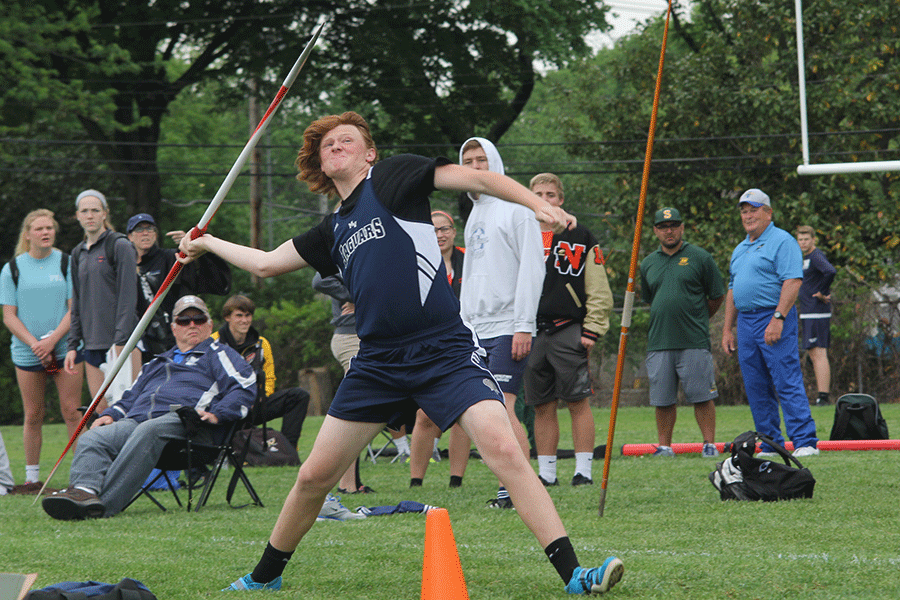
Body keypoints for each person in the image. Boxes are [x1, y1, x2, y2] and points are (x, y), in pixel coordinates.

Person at [178, 111, 624, 595]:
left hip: (444, 351)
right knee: (313, 477)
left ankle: (576, 576)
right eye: (327, 146)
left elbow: (475, 176)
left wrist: (534, 202)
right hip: (378, 364)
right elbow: (265, 265)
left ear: (369, 153)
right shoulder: (333, 230)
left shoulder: (391, 178)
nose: (336, 147)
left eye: (347, 140)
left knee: (504, 449)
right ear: (323, 167)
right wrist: (208, 243)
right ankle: (264, 577)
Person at [41, 295, 256, 520]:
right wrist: (112, 414)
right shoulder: (156, 362)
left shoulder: (218, 354)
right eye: (184, 320)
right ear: (174, 328)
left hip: (188, 427)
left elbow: (245, 385)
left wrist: (217, 414)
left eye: (199, 319)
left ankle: (101, 505)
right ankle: (84, 491)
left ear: (209, 325)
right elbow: (130, 396)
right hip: (138, 422)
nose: (192, 325)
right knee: (94, 437)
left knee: (149, 429)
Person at [458, 137, 544, 509]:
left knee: (504, 407)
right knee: (487, 412)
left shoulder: (517, 209)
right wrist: (463, 326)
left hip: (510, 325)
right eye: (468, 161)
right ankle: (512, 486)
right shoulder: (474, 212)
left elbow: (532, 270)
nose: (476, 167)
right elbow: (471, 274)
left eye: (482, 160)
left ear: (495, 162)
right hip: (477, 330)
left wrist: (523, 324)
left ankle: (516, 490)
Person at [525, 174, 613, 485]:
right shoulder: (522, 234)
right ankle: (547, 473)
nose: (545, 199)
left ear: (560, 200)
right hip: (531, 331)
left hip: (568, 328)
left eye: (551, 194)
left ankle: (583, 471)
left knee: (578, 400)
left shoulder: (581, 236)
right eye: (538, 194)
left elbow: (599, 286)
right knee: (541, 404)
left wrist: (592, 328)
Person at [722, 189, 819, 458]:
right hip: (746, 322)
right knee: (756, 385)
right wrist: (727, 328)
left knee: (786, 379)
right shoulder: (741, 248)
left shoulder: (782, 241)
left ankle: (805, 441)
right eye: (744, 210)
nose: (748, 215)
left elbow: (792, 281)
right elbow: (732, 289)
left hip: (773, 316)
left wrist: (778, 318)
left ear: (768, 213)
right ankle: (770, 443)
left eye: (753, 209)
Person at [0, 210, 84, 490]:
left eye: (49, 228)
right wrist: (35, 344)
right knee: (33, 414)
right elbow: (9, 316)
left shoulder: (66, 262)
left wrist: (52, 341)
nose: (45, 232)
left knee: (72, 411)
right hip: (28, 354)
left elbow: (74, 310)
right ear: (27, 235)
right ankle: (32, 478)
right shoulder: (12, 268)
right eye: (39, 229)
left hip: (66, 350)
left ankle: (82, 475)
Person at [640, 207, 725, 458]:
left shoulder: (700, 257)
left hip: (693, 339)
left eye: (674, 225)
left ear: (682, 228)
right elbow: (650, 298)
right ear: (656, 230)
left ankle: (708, 444)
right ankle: (665, 446)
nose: (669, 230)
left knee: (702, 395)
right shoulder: (648, 263)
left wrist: (697, 317)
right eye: (664, 226)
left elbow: (717, 296)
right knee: (663, 400)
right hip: (659, 340)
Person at [408, 210, 472, 488]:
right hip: (428, 346)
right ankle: (416, 481)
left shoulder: (470, 259)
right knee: (424, 414)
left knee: (464, 413)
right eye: (433, 231)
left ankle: (456, 479)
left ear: (454, 231)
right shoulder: (416, 262)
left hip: (464, 343)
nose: (440, 235)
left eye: (444, 229)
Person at [310, 272, 390, 494]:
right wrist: (356, 296)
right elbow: (319, 279)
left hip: (363, 336)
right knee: (353, 410)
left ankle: (353, 482)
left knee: (359, 408)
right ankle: (346, 485)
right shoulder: (344, 250)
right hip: (350, 338)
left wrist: (361, 299)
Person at [65, 190, 140, 411]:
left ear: (105, 214)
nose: (90, 216)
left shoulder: (120, 245)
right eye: (85, 211)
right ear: (77, 215)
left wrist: (121, 341)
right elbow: (77, 302)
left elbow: (129, 296)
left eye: (95, 210)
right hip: (92, 345)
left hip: (122, 344)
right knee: (102, 412)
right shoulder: (77, 253)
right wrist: (72, 344)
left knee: (128, 410)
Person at [127, 212, 232, 363]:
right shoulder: (125, 267)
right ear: (130, 236)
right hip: (141, 345)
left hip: (176, 341)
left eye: (149, 229)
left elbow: (217, 284)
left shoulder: (172, 259)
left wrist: (194, 245)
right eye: (139, 229)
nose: (145, 233)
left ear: (156, 235)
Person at [210, 294, 310, 448]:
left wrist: (261, 396)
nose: (244, 320)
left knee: (299, 396)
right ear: (227, 317)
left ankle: (288, 449)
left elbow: (269, 378)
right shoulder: (213, 343)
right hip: (225, 406)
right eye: (239, 315)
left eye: (248, 315)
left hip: (255, 404)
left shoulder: (261, 344)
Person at [796, 225, 836, 406]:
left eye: (806, 239)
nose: (803, 242)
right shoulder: (804, 258)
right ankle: (822, 396)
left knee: (818, 352)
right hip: (808, 311)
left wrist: (822, 292)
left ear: (813, 240)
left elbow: (830, 271)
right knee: (814, 353)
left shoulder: (816, 255)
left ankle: (823, 397)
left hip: (816, 312)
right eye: (800, 239)